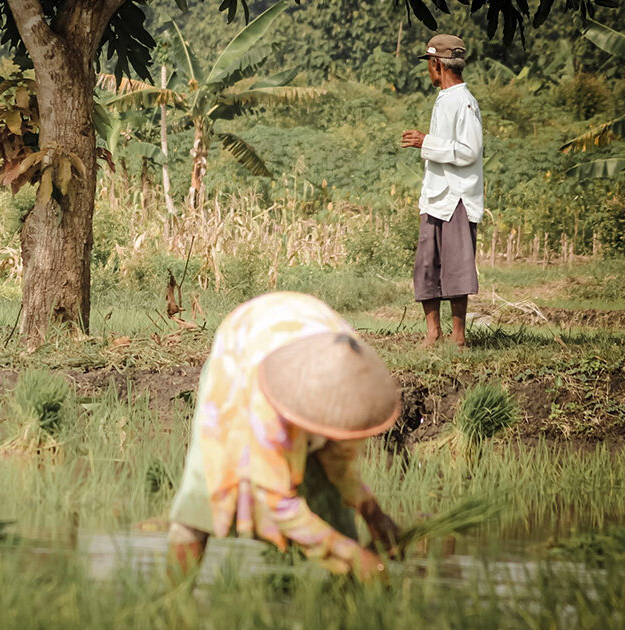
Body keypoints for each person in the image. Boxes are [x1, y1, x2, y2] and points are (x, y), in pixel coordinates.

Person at [167, 292, 402, 582]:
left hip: (304, 331)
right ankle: (171, 602)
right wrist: (355, 556)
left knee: (329, 499)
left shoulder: (352, 379)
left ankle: (342, 604)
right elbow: (277, 503)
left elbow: (339, 464)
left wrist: (372, 511)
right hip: (244, 348)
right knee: (205, 486)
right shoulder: (264, 403)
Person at [401, 34, 483, 348]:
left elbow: (469, 151)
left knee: (457, 267)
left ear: (437, 64)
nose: (429, 71)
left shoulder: (463, 101)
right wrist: (427, 143)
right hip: (436, 195)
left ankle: (458, 337)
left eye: (429, 64)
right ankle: (433, 332)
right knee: (427, 264)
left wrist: (426, 142)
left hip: (457, 196)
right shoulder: (446, 98)